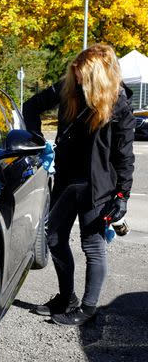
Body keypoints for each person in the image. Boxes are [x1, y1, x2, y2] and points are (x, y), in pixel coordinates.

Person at [23, 43, 135, 326]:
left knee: (92, 245)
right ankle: (66, 298)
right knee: (54, 239)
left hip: (98, 186)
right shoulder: (68, 87)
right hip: (66, 180)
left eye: (82, 73)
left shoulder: (118, 103)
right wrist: (37, 142)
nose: (76, 77)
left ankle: (88, 307)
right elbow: (31, 106)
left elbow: (124, 155)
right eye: (74, 72)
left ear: (97, 76)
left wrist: (122, 195)